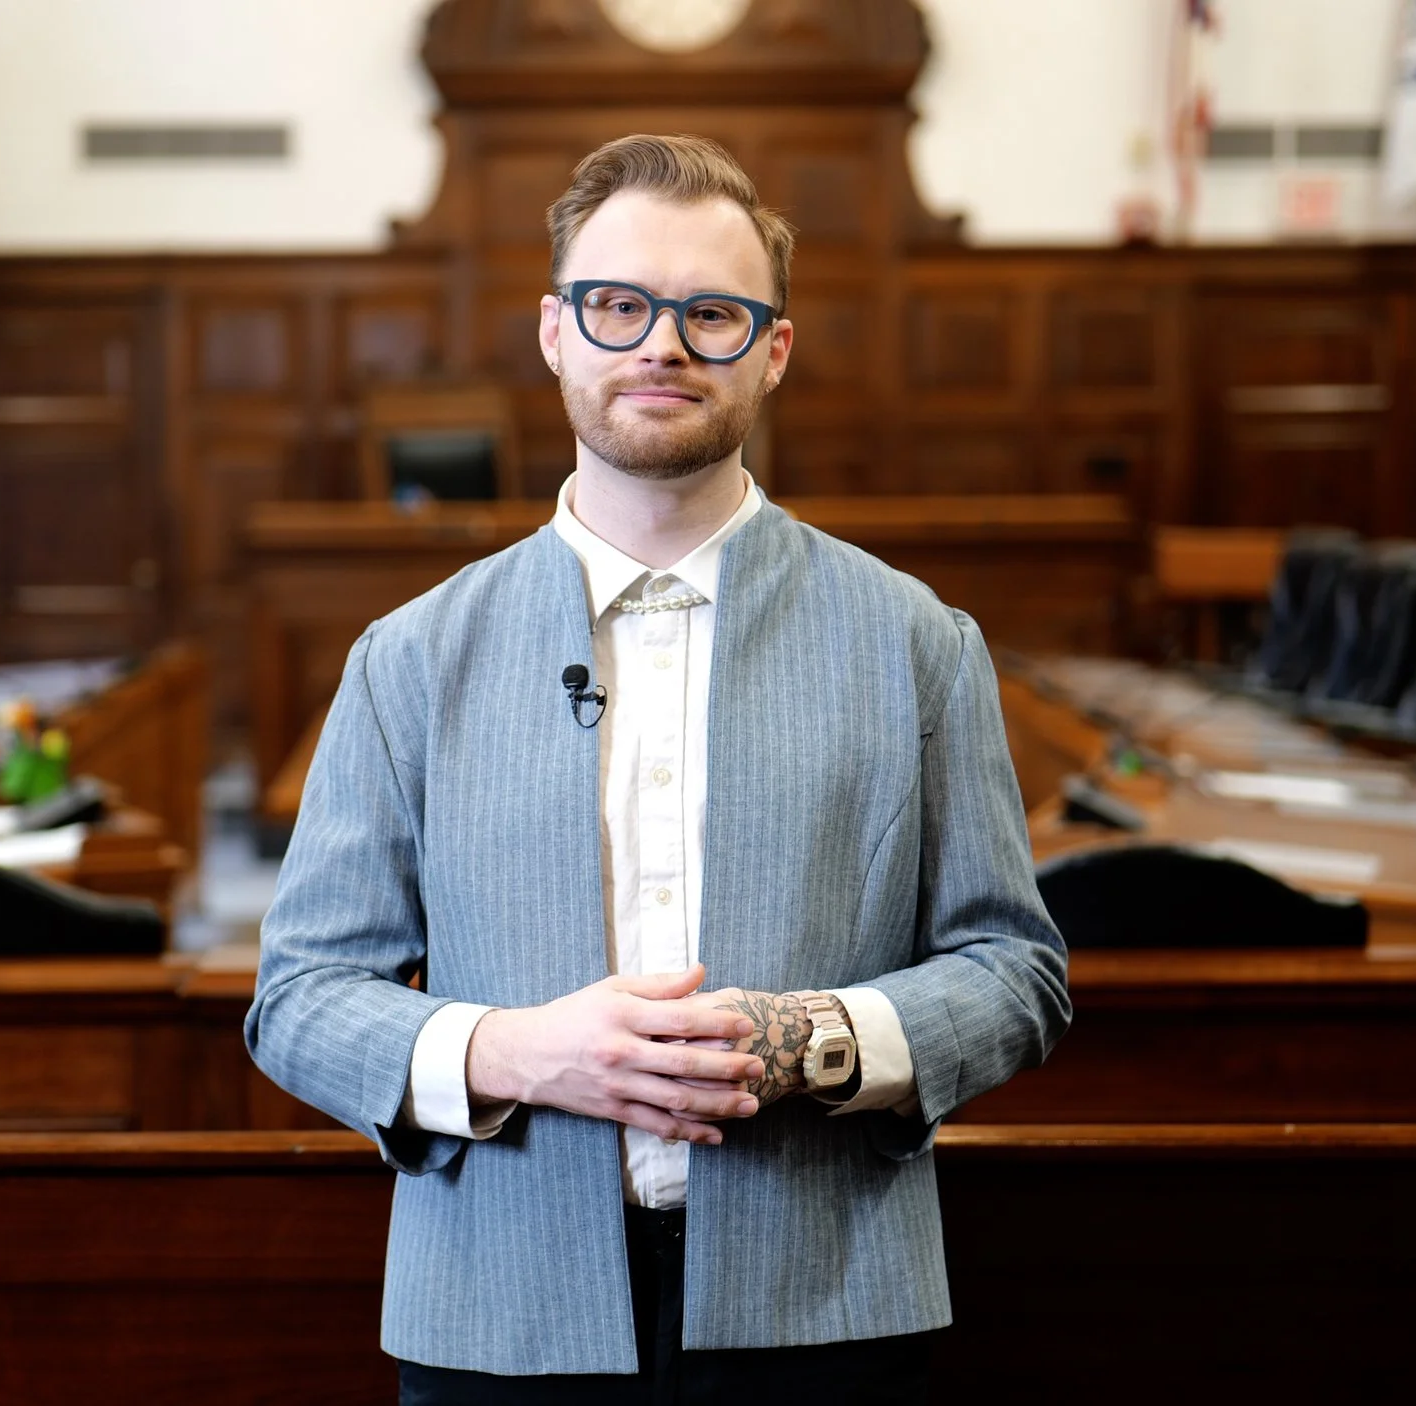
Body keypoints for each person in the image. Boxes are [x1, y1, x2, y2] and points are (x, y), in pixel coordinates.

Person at [246, 132, 1069, 1405]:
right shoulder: (407, 657)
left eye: (712, 313)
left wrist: (809, 1040)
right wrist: (520, 1051)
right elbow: (299, 998)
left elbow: (1015, 972)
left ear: (772, 349)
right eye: (618, 305)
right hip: (501, 1314)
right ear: (555, 332)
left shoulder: (916, 641)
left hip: (827, 1309)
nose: (662, 345)